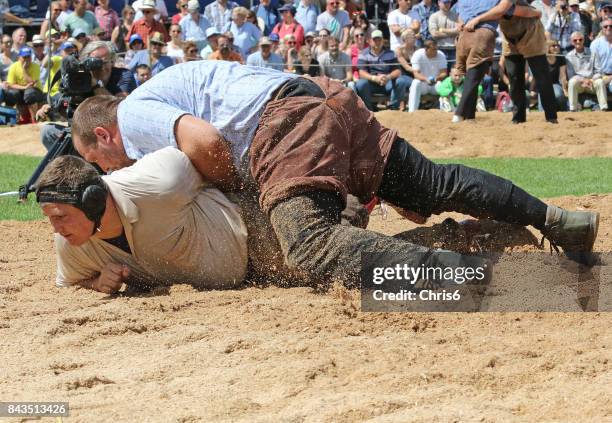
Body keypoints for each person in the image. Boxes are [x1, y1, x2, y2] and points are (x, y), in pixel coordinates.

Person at [70, 61, 600, 289]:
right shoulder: (165, 86)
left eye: (99, 162)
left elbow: (206, 143)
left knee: (309, 247)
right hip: (325, 97)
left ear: (103, 136)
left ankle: (471, 280)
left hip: (283, 122)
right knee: (434, 185)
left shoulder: (133, 113)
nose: (110, 172)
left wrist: (253, 189)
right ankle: (558, 219)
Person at [36, 149, 248, 293]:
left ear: (93, 201)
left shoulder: (160, 183)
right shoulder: (70, 241)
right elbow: (70, 284)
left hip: (253, 240)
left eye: (61, 217)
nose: (56, 229)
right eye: (50, 219)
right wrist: (97, 282)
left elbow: (210, 157)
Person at [466, 0, 558, 124]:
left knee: (542, 77)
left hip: (530, 32)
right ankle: (518, 118)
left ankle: (551, 117)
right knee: (514, 77)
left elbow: (504, 9)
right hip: (509, 37)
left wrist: (477, 19)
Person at [355, 29, 411, 111]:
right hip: (371, 83)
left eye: (379, 39)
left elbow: (398, 71)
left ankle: (393, 108)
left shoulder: (391, 53)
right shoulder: (363, 54)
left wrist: (388, 77)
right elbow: (361, 73)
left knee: (401, 81)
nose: (377, 42)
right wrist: (375, 78)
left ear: (383, 41)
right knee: (361, 84)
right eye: (375, 40)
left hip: (387, 82)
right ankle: (369, 108)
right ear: (370, 41)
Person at [565, 31, 608, 111]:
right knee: (572, 82)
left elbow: (598, 71)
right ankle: (572, 109)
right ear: (571, 42)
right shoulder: (569, 56)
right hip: (579, 83)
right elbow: (571, 75)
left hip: (592, 82)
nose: (578, 42)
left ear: (583, 40)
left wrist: (591, 80)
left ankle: (604, 108)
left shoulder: (593, 53)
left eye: (580, 39)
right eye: (575, 40)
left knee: (600, 82)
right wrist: (583, 80)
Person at [4, 47, 44, 123]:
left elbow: (32, 83)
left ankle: (34, 120)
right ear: (19, 57)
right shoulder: (14, 66)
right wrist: (24, 87)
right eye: (24, 57)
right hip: (21, 91)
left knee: (29, 93)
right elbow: (10, 84)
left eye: (28, 57)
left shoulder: (35, 66)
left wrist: (24, 70)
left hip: (36, 92)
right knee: (10, 93)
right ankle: (9, 119)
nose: (26, 59)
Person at [408, 39, 447, 112]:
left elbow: (444, 73)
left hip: (435, 84)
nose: (436, 51)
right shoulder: (418, 54)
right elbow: (416, 74)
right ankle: (412, 111)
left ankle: (444, 110)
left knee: (441, 84)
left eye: (436, 49)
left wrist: (436, 78)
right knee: (416, 83)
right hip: (423, 85)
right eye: (433, 49)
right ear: (426, 49)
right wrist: (426, 79)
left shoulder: (441, 55)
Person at [428, 0, 458, 68]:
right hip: (439, 49)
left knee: (455, 73)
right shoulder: (434, 16)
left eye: (449, 2)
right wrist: (452, 33)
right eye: (445, 2)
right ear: (439, 3)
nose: (447, 4)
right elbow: (434, 34)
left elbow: (459, 31)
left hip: (454, 49)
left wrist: (442, 30)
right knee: (441, 73)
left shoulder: (455, 16)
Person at [543, 39, 569, 112]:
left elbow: (562, 75)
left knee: (559, 95)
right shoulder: (542, 59)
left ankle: (564, 111)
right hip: (543, 85)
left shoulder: (560, 58)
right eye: (553, 46)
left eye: (558, 45)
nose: (556, 47)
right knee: (542, 110)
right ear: (548, 47)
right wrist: (532, 89)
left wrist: (564, 89)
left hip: (555, 84)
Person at [590, 17, 611, 93]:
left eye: (611, 26)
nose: (608, 28)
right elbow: (594, 65)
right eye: (605, 26)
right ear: (601, 28)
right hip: (601, 76)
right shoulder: (595, 44)